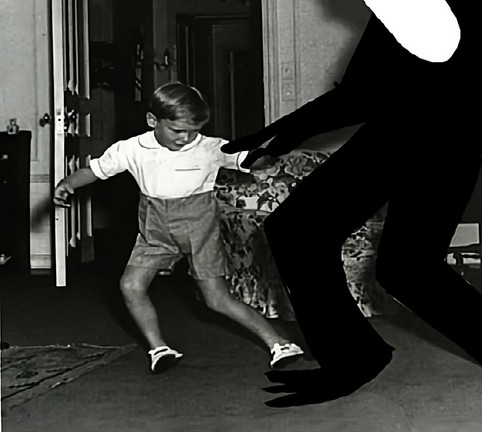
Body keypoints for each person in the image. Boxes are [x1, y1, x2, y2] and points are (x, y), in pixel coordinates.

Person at [52, 82, 303, 374]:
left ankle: (279, 344)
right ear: (152, 120)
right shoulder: (131, 149)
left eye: (193, 131)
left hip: (199, 231)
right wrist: (67, 184)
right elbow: (94, 171)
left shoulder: (210, 147)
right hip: (155, 232)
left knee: (217, 299)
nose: (186, 138)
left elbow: (247, 157)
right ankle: (159, 348)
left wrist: (266, 158)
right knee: (130, 286)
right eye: (177, 131)